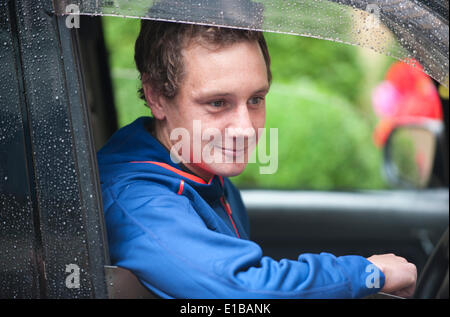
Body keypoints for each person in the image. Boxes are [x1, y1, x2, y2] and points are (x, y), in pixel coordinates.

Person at [97, 19, 417, 298]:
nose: (246, 129)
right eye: (218, 103)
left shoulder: (202, 170)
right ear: (156, 96)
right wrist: (368, 274)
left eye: (255, 99)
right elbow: (241, 291)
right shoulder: (136, 199)